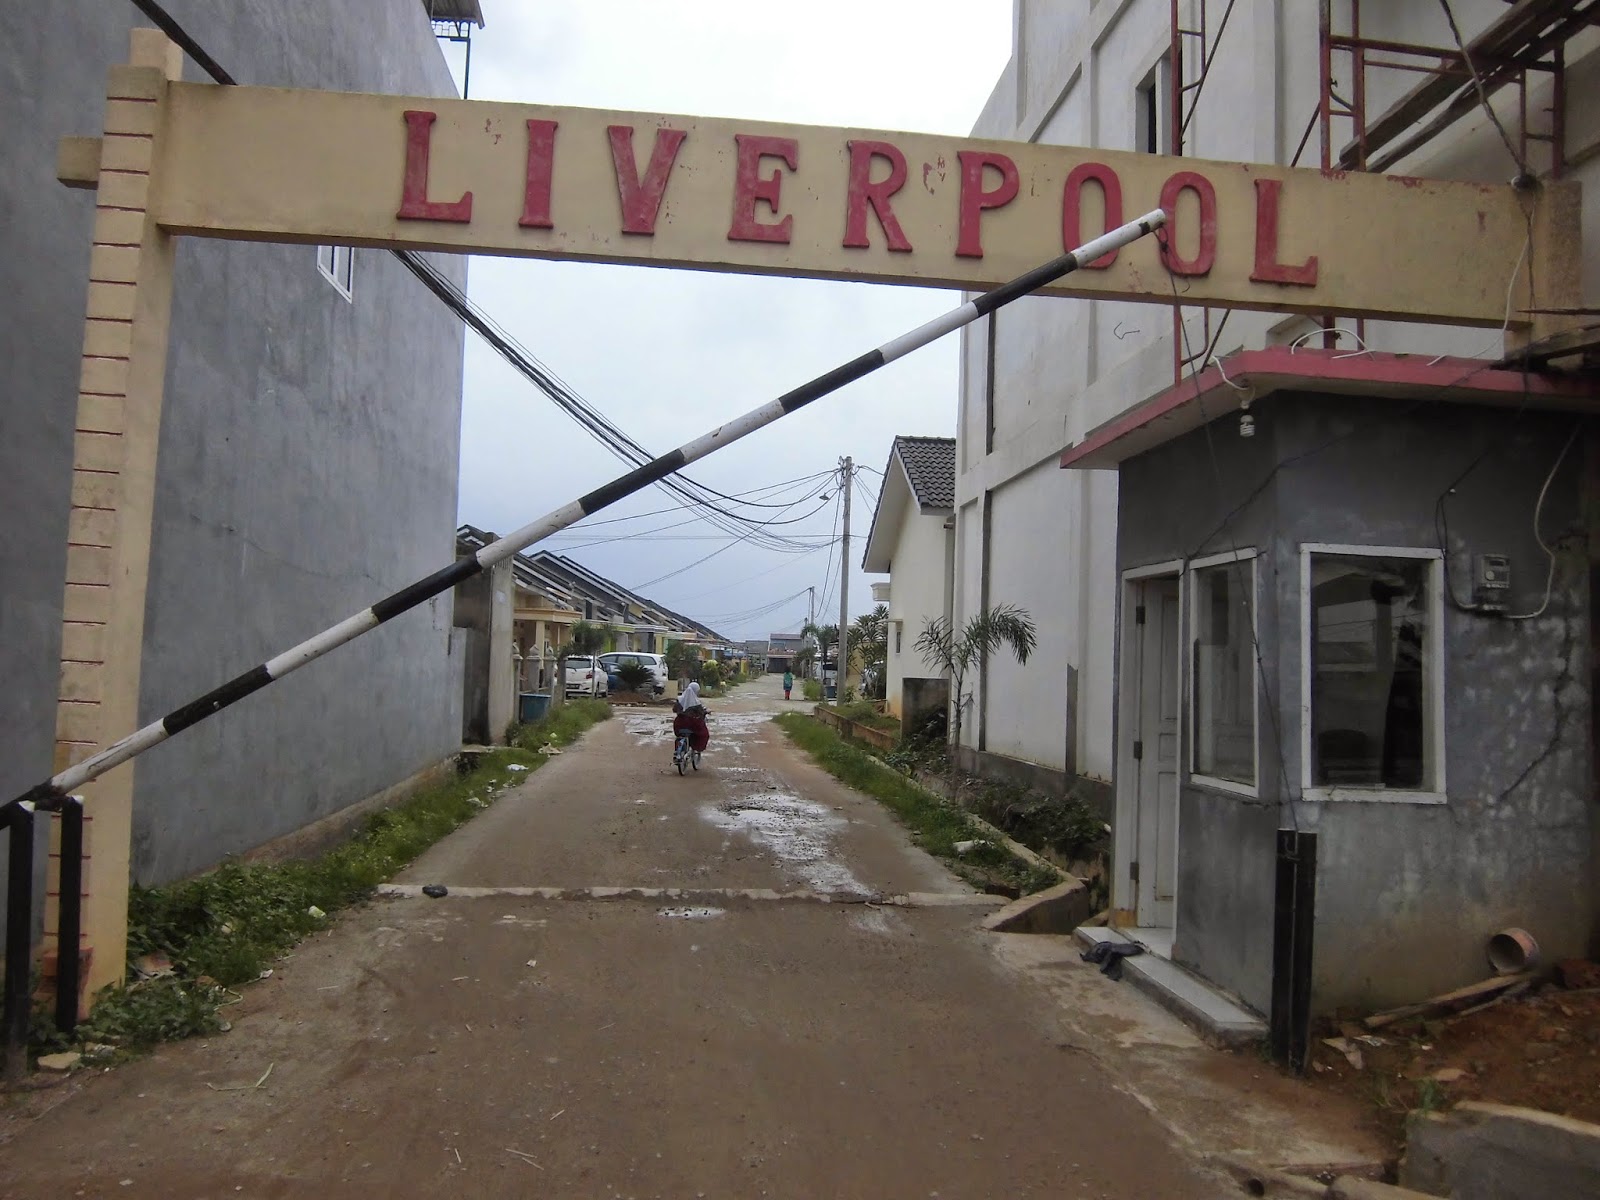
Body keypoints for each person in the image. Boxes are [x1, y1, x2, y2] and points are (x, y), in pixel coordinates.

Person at [673, 678, 709, 754]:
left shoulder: (680, 699)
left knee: (679, 735)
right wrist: (706, 712)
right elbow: (701, 713)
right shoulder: (696, 702)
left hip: (679, 724)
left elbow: (674, 709)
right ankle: (696, 748)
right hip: (692, 724)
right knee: (703, 733)